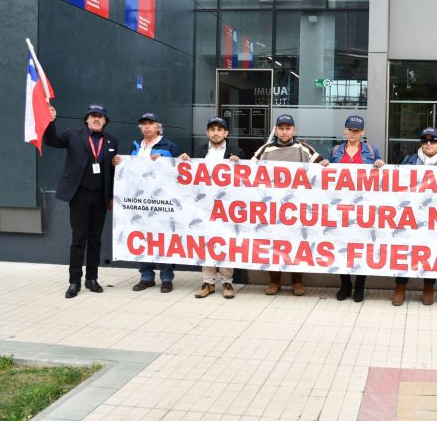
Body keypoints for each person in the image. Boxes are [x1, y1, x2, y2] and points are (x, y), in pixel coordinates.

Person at [43, 104, 119, 298]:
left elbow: (112, 173)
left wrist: (110, 197)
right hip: (79, 195)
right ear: (86, 119)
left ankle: (92, 279)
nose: (96, 119)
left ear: (105, 121)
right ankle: (74, 281)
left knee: (95, 239)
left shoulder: (111, 141)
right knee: (79, 239)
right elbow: (51, 141)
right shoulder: (72, 134)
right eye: (92, 116)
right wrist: (51, 121)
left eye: (100, 116)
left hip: (100, 197)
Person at [253, 114, 328, 296]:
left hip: (297, 209)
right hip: (272, 208)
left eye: (288, 128)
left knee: (296, 244)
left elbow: (321, 164)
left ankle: (297, 281)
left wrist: (324, 164)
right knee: (274, 244)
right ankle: (275, 280)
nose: (284, 132)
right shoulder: (265, 150)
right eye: (281, 128)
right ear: (276, 130)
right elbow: (249, 171)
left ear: (294, 130)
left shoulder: (303, 148)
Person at [179, 117, 244, 300]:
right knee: (206, 241)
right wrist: (184, 161)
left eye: (219, 129)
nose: (215, 132)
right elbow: (191, 176)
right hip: (204, 207)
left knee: (226, 241)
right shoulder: (199, 151)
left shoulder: (236, 151)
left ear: (226, 133)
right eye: (212, 129)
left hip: (226, 206)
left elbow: (245, 180)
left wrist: (239, 164)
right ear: (207, 133)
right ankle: (208, 282)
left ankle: (227, 282)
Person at [116, 112, 182, 293]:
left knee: (164, 238)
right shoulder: (136, 147)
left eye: (150, 124)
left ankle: (167, 278)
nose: (147, 127)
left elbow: (180, 171)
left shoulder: (170, 146)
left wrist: (164, 159)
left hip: (163, 201)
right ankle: (146, 277)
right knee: (143, 236)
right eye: (144, 124)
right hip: (141, 201)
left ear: (158, 127)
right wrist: (119, 163)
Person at [392, 127, 437, 306]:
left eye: (433, 140)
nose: (428, 144)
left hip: (434, 218)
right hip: (410, 216)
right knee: (405, 250)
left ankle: (428, 286)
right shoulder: (408, 161)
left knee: (431, 251)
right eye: (425, 140)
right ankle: (400, 286)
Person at [329, 115, 385, 302]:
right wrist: (323, 166)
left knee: (362, 246)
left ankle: (360, 284)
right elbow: (327, 178)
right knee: (342, 245)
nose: (353, 133)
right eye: (350, 130)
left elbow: (381, 175)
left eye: (357, 130)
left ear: (363, 132)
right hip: (341, 208)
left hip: (364, 208)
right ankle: (345, 284)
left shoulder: (371, 150)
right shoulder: (335, 151)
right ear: (344, 130)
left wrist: (379, 164)